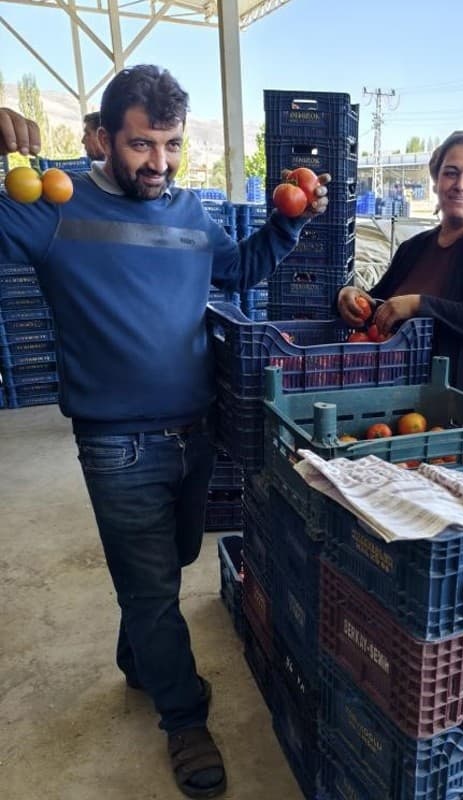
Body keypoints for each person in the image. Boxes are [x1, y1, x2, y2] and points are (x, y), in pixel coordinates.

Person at [0, 64, 328, 799]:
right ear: (101, 138)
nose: (160, 162)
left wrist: (291, 220)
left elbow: (238, 269)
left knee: (171, 561)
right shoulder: (54, 209)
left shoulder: (186, 212)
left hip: (193, 431)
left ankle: (138, 656)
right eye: (143, 144)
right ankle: (184, 719)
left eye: (172, 144)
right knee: (152, 589)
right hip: (117, 444)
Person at [337, 129, 463, 435]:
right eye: (451, 173)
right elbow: (378, 304)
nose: (460, 185)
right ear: (436, 182)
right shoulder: (414, 248)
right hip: (415, 413)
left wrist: (420, 304)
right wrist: (350, 296)